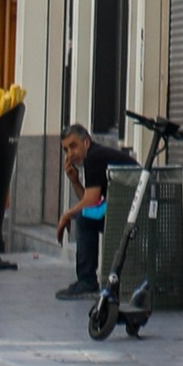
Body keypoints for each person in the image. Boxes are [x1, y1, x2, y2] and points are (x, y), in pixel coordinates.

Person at [56, 123, 113, 298]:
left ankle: (87, 281)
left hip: (130, 213)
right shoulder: (95, 156)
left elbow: (91, 202)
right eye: (66, 150)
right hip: (121, 211)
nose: (70, 154)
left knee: (83, 219)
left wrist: (66, 215)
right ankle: (86, 280)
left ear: (86, 143)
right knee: (85, 217)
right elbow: (92, 203)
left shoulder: (93, 157)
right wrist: (75, 181)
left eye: (73, 146)